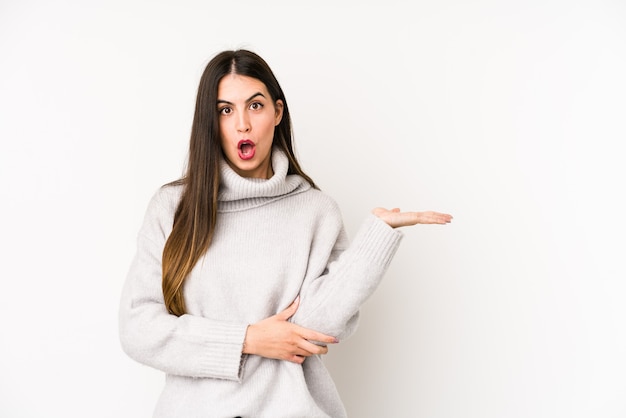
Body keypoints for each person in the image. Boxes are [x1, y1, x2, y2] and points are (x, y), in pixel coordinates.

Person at [118, 49, 452, 418]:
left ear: (277, 112)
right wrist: (248, 339)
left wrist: (376, 240)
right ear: (210, 122)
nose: (242, 124)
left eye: (255, 106)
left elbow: (319, 327)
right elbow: (139, 330)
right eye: (225, 110)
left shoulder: (315, 210)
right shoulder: (173, 207)